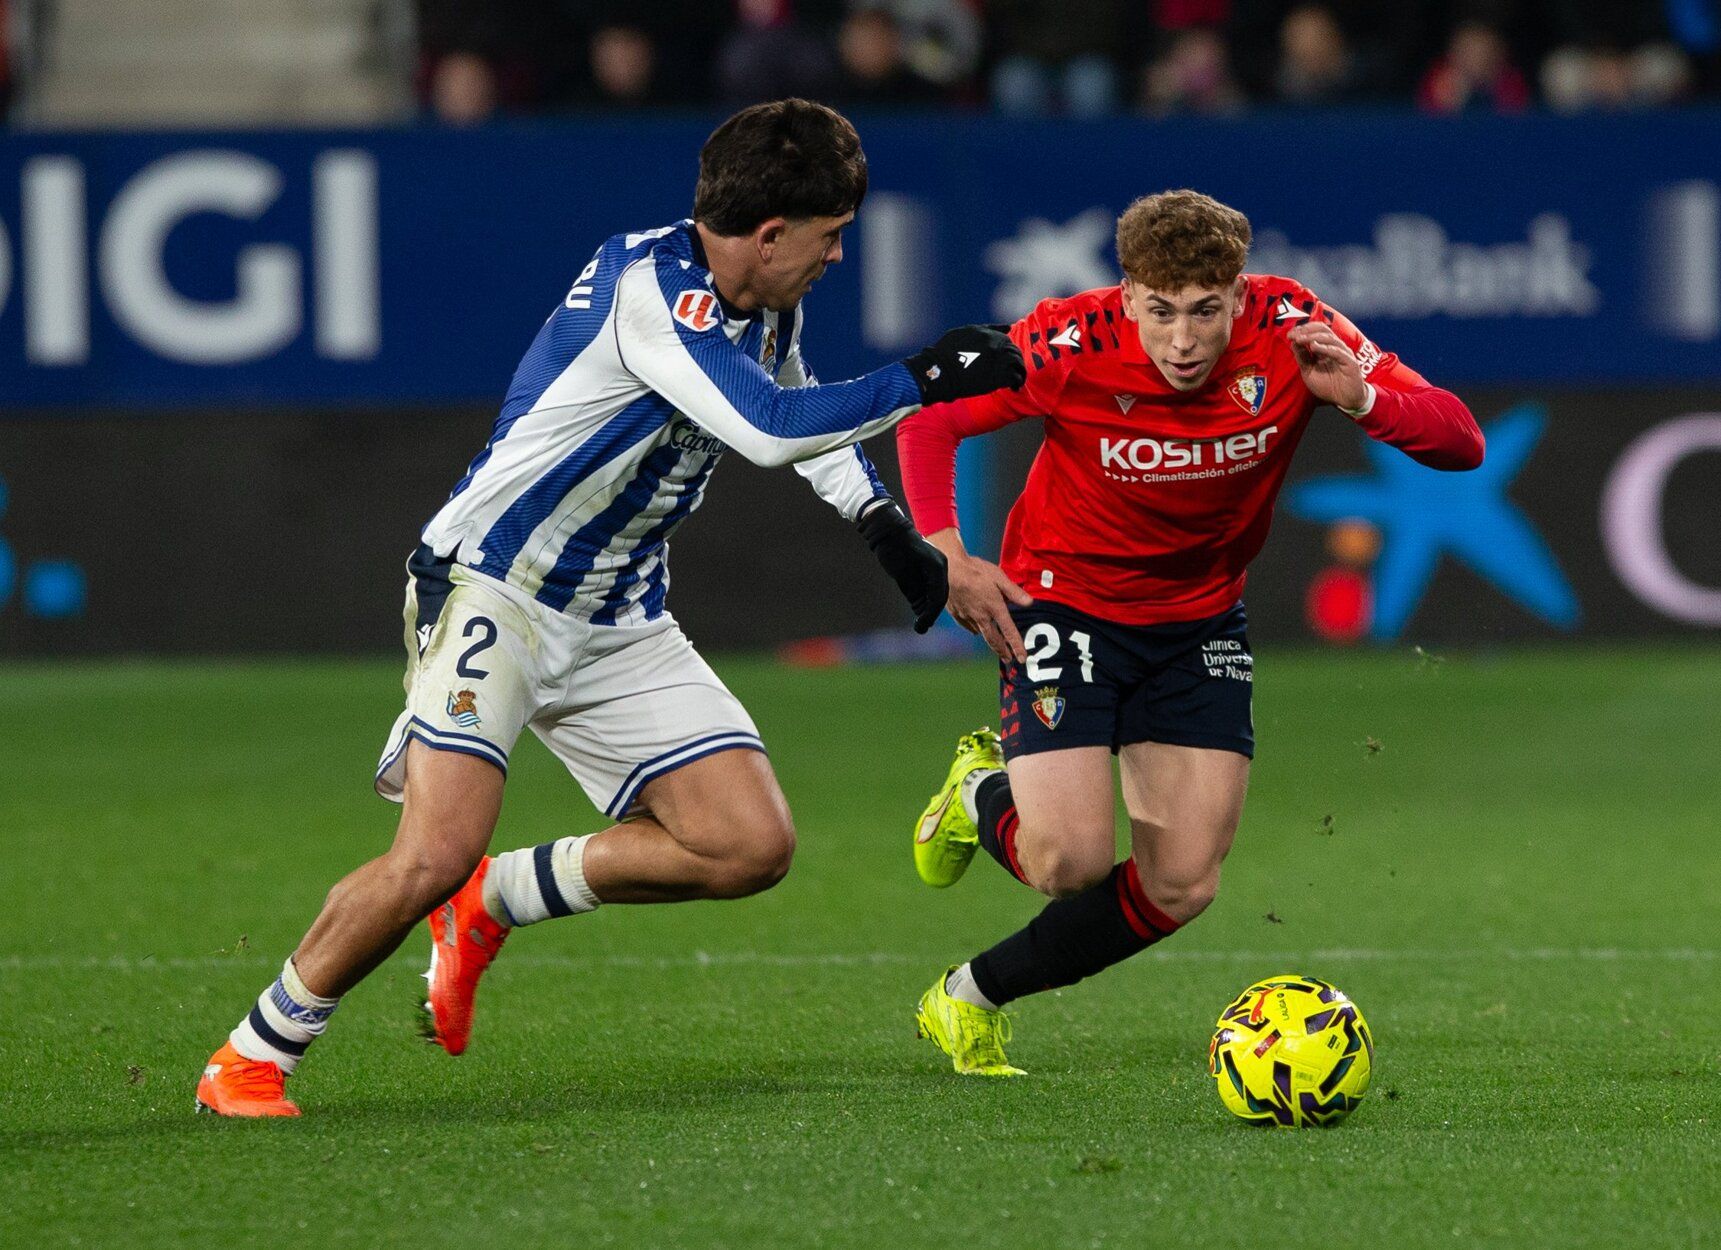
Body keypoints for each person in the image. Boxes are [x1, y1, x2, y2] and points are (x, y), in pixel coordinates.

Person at [195, 98, 1025, 1116]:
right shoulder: (650, 290)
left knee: (747, 844)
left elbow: (798, 402)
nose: (837, 255)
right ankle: (252, 1051)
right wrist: (929, 374)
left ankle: (491, 901)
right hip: (492, 588)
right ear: (769, 235)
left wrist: (885, 531)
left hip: (618, 608)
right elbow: (765, 427)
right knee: (431, 847)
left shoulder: (764, 300)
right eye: (830, 235)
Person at [896, 189, 1482, 1076]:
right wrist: (945, 554)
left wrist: (1359, 398)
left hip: (1199, 614)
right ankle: (981, 791)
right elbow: (932, 419)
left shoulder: (1294, 325)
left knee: (1181, 883)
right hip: (1064, 597)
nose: (1181, 340)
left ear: (1238, 296)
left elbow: (1461, 440)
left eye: (1205, 311)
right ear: (1126, 296)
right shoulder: (1065, 342)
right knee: (1070, 862)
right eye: (1160, 311)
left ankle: (967, 999)